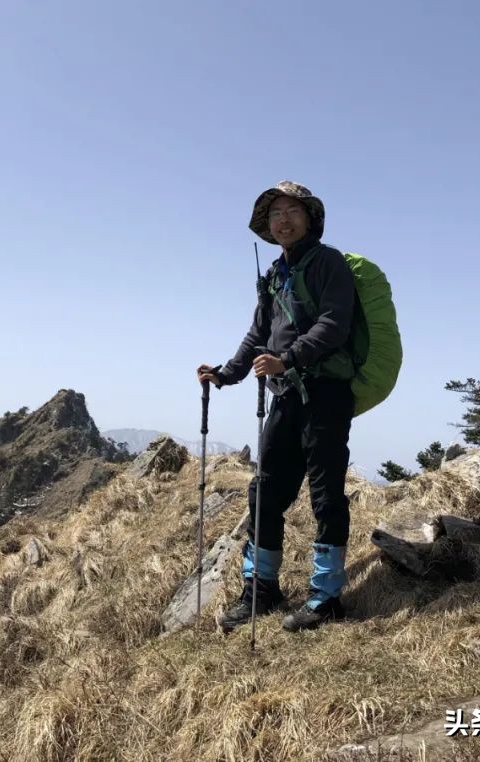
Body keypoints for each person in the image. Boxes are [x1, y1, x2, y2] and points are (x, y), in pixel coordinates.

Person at [197, 180, 356, 633]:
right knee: (264, 491)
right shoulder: (274, 274)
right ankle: (261, 589)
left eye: (292, 211)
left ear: (309, 218)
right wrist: (226, 374)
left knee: (326, 496)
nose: (283, 220)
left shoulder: (328, 263)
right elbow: (259, 334)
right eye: (275, 214)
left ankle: (326, 598)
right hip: (285, 395)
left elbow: (334, 324)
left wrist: (288, 358)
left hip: (326, 393)